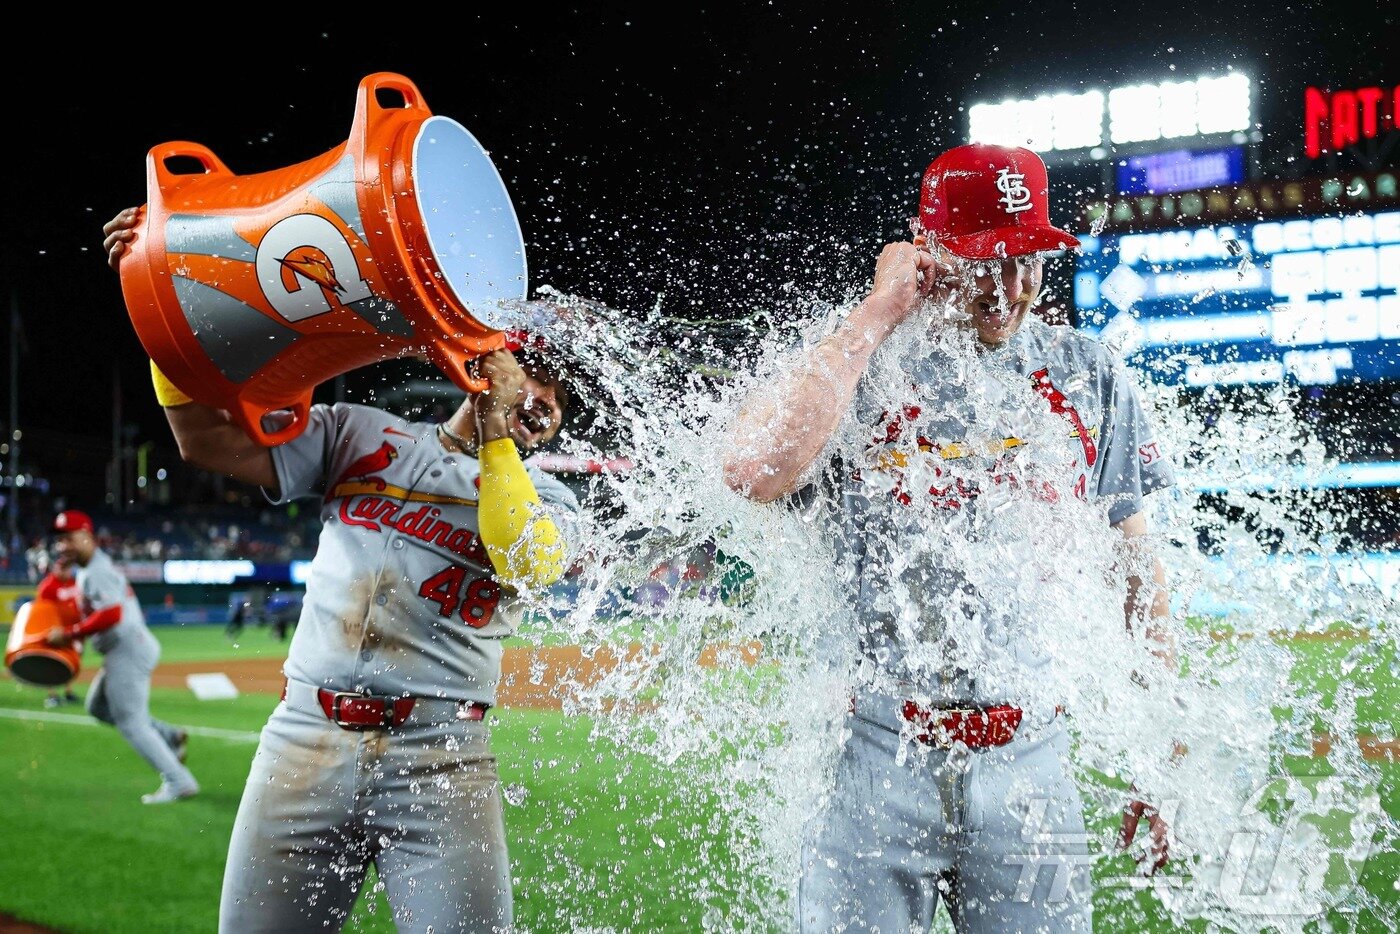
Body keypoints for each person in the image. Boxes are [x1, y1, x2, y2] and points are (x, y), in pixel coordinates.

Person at [722, 143, 1177, 932]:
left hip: (1031, 759)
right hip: (876, 755)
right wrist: (873, 315)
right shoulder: (860, 368)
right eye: (980, 262)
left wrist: (1160, 751)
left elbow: (1138, 575)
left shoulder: (1087, 375)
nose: (1007, 290)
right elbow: (755, 471)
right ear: (923, 250)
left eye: (1025, 259)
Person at [102, 205, 581, 932]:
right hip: (303, 738)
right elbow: (203, 439)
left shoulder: (546, 497)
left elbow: (525, 557)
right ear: (481, 364)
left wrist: (495, 437)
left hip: (442, 754)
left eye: (555, 398)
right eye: (530, 374)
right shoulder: (360, 432)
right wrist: (160, 303)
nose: (537, 397)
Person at [43, 509, 197, 803]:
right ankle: (169, 735)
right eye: (60, 540)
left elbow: (111, 614)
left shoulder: (96, 570)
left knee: (131, 723)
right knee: (97, 707)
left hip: (127, 649)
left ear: (87, 537)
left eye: (69, 538)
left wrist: (70, 634)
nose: (63, 546)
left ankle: (178, 781)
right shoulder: (89, 569)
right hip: (126, 648)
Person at [36, 554, 83, 708]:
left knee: (72, 660)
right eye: (62, 567)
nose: (65, 571)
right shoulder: (48, 586)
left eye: (67, 568)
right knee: (53, 662)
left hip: (73, 629)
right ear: (56, 568)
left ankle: (68, 692)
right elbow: (42, 611)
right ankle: (52, 696)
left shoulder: (73, 583)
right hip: (55, 631)